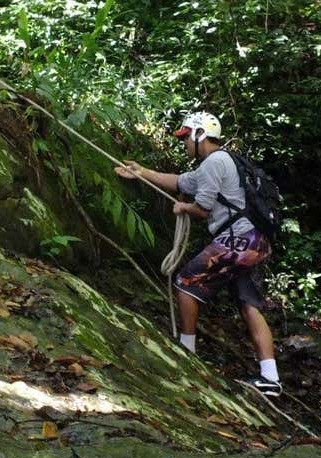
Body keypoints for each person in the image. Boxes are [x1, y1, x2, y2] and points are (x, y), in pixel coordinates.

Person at [114, 112, 282, 397]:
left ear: (200, 135)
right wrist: (142, 172)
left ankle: (186, 353)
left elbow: (202, 208)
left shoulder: (214, 162)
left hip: (238, 239)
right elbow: (181, 182)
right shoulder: (224, 162)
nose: (184, 143)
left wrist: (184, 208)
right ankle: (270, 378)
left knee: (186, 283)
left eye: (186, 137)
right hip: (256, 241)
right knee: (248, 304)